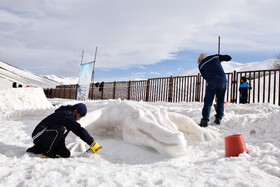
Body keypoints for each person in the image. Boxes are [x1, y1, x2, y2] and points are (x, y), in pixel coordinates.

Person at [26, 103, 102, 158]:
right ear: (75, 111)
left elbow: (62, 135)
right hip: (39, 134)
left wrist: (61, 147)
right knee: (61, 128)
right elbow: (78, 130)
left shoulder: (69, 117)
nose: (79, 119)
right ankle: (47, 152)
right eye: (79, 116)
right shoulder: (67, 115)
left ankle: (38, 148)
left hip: (47, 135)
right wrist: (92, 143)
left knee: (65, 154)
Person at [197, 53, 232, 127]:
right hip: (222, 80)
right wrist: (219, 57)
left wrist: (211, 80)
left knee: (208, 101)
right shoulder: (215, 57)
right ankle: (218, 118)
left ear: (200, 59)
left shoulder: (201, 65)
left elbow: (204, 76)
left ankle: (205, 120)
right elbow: (229, 57)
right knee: (220, 100)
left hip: (211, 81)